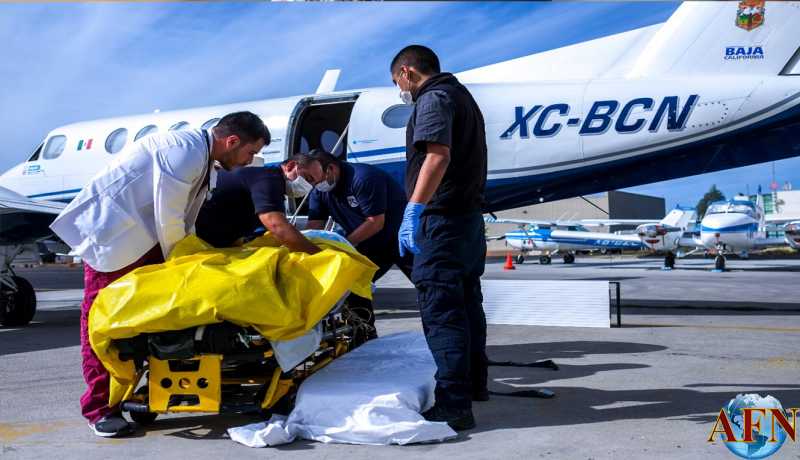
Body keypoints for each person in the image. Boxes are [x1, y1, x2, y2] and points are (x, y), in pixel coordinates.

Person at [50, 111, 270, 438]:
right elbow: (170, 218)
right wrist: (184, 263)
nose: (249, 161)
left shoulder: (205, 160)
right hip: (115, 241)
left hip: (145, 240)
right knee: (102, 321)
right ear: (232, 141)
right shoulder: (183, 151)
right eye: (250, 153)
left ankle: (143, 387)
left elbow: (183, 222)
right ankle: (99, 409)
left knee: (151, 317)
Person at [391, 45, 489, 431]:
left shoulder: (434, 98)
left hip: (443, 221)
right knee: (467, 305)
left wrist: (414, 208)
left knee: (441, 309)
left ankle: (453, 404)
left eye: (397, 81)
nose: (400, 89)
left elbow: (437, 156)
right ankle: (475, 385)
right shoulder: (463, 97)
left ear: (407, 72)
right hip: (467, 220)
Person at [304, 149, 412, 331]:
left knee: (430, 285)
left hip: (400, 238)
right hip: (368, 243)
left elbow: (375, 222)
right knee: (352, 286)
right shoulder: (319, 191)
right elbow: (315, 226)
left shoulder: (362, 178)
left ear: (330, 169)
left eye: (313, 178)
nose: (312, 183)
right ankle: (364, 335)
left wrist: (343, 245)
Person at [195, 153, 324, 254]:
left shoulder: (270, 183)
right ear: (290, 166)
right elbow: (278, 227)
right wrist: (320, 256)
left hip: (210, 243)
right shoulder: (269, 179)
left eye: (313, 184)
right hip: (197, 242)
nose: (309, 187)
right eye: (308, 178)